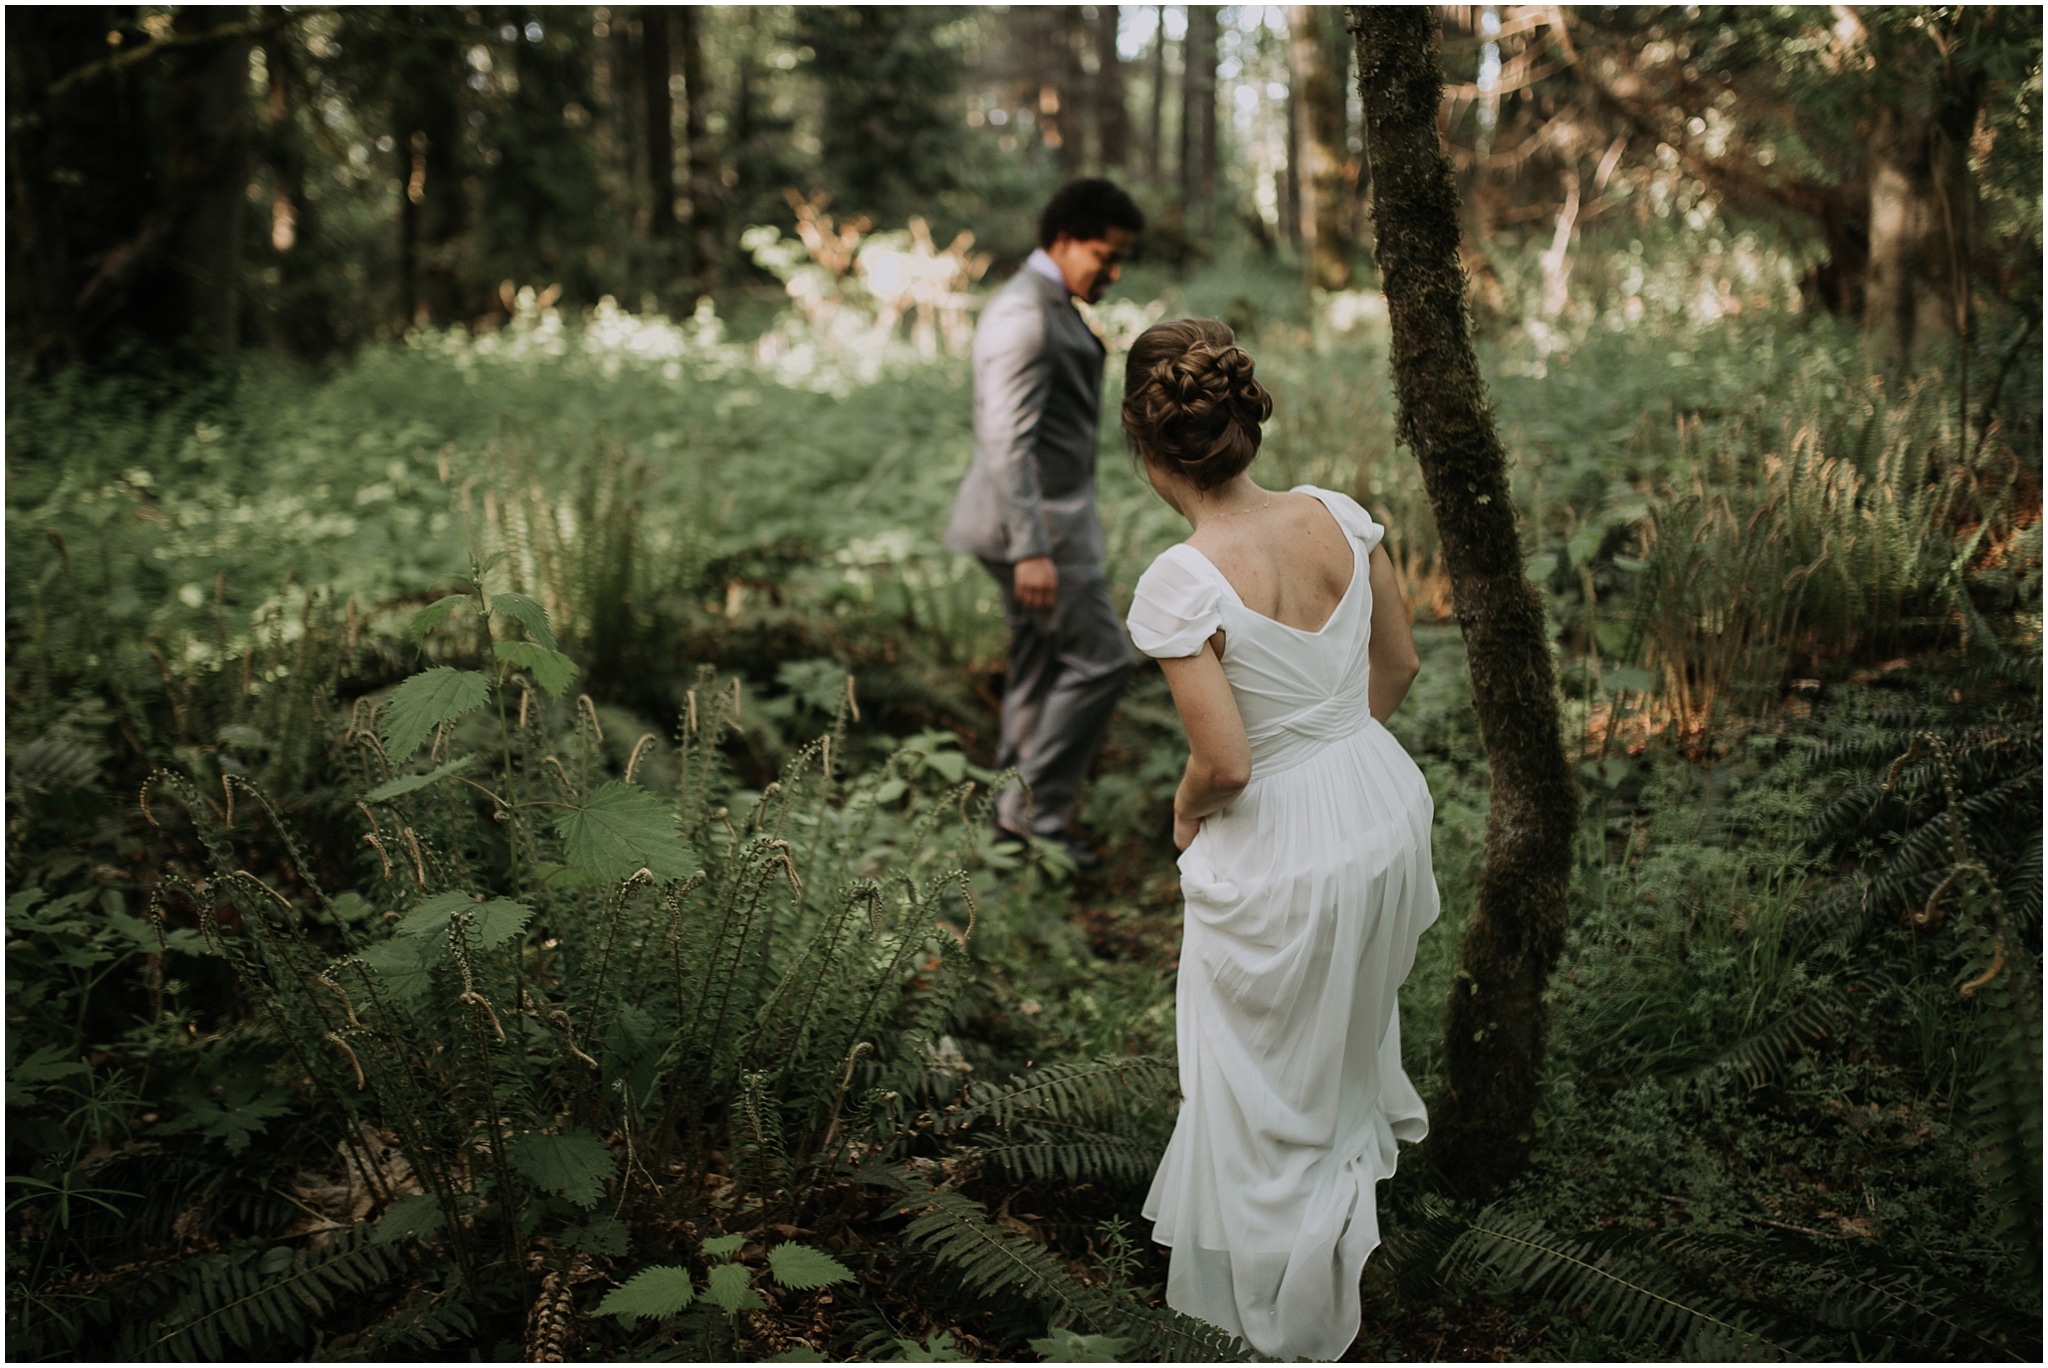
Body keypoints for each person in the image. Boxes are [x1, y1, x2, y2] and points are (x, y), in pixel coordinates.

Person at [1120, 318, 1439, 1360]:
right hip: (1380, 808)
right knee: (1334, 1048)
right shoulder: (1341, 521)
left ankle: (1283, 1312)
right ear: (1246, 419)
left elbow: (1226, 766)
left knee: (1259, 1087)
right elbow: (1394, 668)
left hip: (1284, 843)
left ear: (1141, 435)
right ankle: (1338, 1241)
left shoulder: (1182, 580)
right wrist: (1336, 770)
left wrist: (1181, 814)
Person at [944, 179, 1146, 860]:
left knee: (1037, 662)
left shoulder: (1046, 302)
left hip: (1040, 525)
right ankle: (1039, 820)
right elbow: (1008, 439)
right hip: (1035, 532)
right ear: (1061, 240)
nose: (1113, 272)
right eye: (1104, 254)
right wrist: (1033, 548)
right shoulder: (1025, 314)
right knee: (1100, 663)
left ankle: (1010, 818)